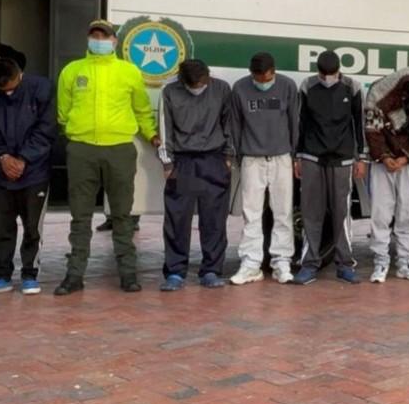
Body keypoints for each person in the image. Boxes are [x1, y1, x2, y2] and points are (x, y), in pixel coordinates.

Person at [55, 19, 160, 295]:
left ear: (114, 41)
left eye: (104, 35)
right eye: (94, 35)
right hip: (82, 150)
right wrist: (78, 134)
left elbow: (142, 110)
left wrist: (152, 135)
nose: (99, 39)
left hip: (119, 150)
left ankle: (128, 274)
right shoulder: (72, 70)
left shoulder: (129, 72)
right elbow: (63, 112)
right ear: (88, 39)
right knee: (80, 216)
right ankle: (74, 275)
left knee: (122, 216)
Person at [0, 56, 56, 297]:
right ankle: (1, 275)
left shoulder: (42, 88)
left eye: (11, 87)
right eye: (2, 90)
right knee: (1, 228)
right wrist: (3, 157)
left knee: (33, 227)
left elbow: (47, 129)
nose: (8, 93)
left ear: (20, 75)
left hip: (34, 171)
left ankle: (30, 274)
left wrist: (23, 159)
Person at [157, 59, 234, 291]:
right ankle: (175, 272)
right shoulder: (170, 92)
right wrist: (167, 162)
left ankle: (211, 270)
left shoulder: (221, 89)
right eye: (194, 85)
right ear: (183, 81)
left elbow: (229, 123)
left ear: (208, 76)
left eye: (202, 82)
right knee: (177, 219)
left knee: (214, 220)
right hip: (183, 161)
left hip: (214, 159)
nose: (199, 87)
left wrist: (228, 156)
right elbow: (164, 127)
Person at [293, 50, 367, 285]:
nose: (328, 78)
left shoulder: (352, 87)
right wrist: (297, 156)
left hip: (343, 159)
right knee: (311, 213)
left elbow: (360, 123)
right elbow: (300, 122)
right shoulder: (307, 86)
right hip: (312, 157)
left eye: (332, 74)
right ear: (318, 71)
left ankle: (345, 264)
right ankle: (309, 264)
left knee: (341, 214)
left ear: (339, 70)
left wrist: (361, 157)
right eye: (324, 74)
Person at [229, 52, 299, 285]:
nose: (261, 82)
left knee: (282, 212)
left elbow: (294, 122)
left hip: (281, 157)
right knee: (251, 213)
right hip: (252, 158)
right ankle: (251, 263)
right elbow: (236, 124)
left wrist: (294, 154)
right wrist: (239, 155)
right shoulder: (240, 88)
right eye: (256, 78)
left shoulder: (288, 86)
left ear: (273, 71)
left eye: (265, 77)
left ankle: (281, 261)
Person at [364, 67, 409, 283]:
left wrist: (405, 158)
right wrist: (384, 157)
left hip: (407, 165)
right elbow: (372, 131)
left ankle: (404, 262)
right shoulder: (377, 94)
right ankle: (380, 261)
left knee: (405, 214)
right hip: (382, 165)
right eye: (401, 94)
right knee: (381, 213)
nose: (405, 99)